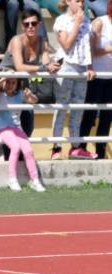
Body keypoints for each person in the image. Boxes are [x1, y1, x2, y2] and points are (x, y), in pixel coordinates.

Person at [0, 8, 59, 162]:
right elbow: (19, 66)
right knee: (9, 122)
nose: (30, 27)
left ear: (40, 25)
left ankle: (19, 157)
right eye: (26, 24)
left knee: (28, 123)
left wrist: (52, 66)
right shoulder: (17, 40)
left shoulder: (42, 42)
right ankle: (5, 155)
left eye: (34, 23)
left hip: (22, 84)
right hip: (5, 83)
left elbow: (46, 62)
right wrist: (44, 68)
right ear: (22, 26)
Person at [51, 0, 96, 160]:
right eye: (77, 0)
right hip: (66, 66)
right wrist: (77, 22)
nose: (81, 4)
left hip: (82, 68)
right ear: (68, 1)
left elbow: (87, 46)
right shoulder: (61, 20)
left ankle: (75, 147)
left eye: (82, 1)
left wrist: (90, 66)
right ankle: (56, 148)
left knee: (78, 109)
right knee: (61, 108)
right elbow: (66, 45)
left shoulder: (86, 21)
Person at [0, 73, 45, 192]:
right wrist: (3, 78)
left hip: (17, 128)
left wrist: (30, 96)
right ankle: (12, 179)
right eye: (8, 82)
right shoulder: (0, 95)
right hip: (3, 128)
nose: (10, 85)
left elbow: (34, 101)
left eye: (13, 82)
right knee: (15, 147)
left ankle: (35, 180)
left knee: (28, 151)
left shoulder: (20, 94)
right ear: (3, 82)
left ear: (17, 84)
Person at [79, 2, 111, 159]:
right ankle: (81, 149)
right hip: (96, 76)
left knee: (107, 117)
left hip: (111, 78)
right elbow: (90, 50)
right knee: (90, 114)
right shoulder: (100, 22)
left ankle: (101, 153)